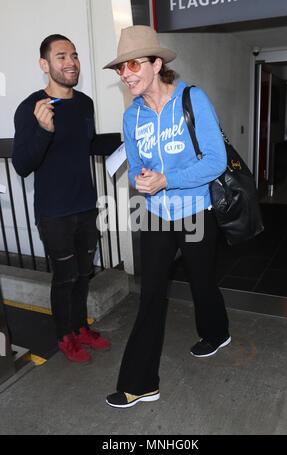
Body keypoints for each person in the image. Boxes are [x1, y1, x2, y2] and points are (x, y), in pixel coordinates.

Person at [103, 25, 231, 408]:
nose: (125, 75)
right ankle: (140, 383)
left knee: (202, 281)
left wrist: (168, 179)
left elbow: (216, 160)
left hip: (195, 212)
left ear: (157, 64)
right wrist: (145, 181)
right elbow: (140, 166)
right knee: (151, 295)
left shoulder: (192, 99)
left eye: (132, 65)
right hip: (157, 215)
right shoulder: (132, 117)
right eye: (120, 69)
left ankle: (216, 331)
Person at [13, 34, 110, 363]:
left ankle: (81, 328)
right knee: (65, 277)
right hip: (54, 212)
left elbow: (87, 145)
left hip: (86, 206)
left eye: (75, 55)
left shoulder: (85, 104)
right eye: (61, 56)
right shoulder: (31, 108)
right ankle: (64, 336)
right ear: (45, 64)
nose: (71, 62)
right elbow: (22, 165)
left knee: (85, 274)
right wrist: (43, 129)